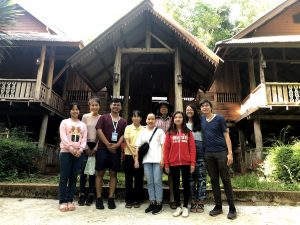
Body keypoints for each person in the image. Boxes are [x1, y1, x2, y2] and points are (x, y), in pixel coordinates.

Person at [199, 99, 237, 220]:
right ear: (201, 109)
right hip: (208, 154)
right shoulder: (201, 120)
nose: (204, 108)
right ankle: (218, 206)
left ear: (211, 107)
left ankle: (232, 208)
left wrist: (230, 153)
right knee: (214, 180)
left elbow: (226, 135)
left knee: (226, 180)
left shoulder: (219, 118)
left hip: (221, 152)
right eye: (202, 106)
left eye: (206, 105)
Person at [95, 98, 127, 209]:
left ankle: (111, 198)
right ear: (110, 106)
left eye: (118, 105)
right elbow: (99, 130)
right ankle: (98, 198)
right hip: (103, 149)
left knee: (113, 174)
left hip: (115, 151)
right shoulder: (103, 118)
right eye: (114, 104)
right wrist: (108, 144)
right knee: (100, 173)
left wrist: (117, 145)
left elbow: (123, 135)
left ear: (121, 107)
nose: (116, 106)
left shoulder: (123, 121)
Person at [164, 111, 196, 218]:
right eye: (176, 117)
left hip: (186, 162)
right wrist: (166, 164)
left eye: (180, 117)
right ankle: (178, 206)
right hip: (173, 163)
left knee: (186, 184)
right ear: (173, 119)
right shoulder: (169, 133)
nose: (178, 119)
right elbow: (166, 149)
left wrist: (192, 163)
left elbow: (192, 148)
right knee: (175, 185)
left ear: (183, 119)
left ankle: (186, 206)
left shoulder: (188, 132)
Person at [58, 102, 87, 212]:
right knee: (64, 177)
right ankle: (62, 201)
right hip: (66, 152)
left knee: (74, 178)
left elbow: (84, 138)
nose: (75, 111)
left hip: (78, 153)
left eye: (77, 109)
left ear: (79, 111)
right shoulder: (64, 122)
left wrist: (80, 150)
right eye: (73, 109)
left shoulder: (82, 125)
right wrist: (71, 148)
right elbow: (63, 136)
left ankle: (70, 200)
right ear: (69, 111)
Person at [135, 113, 165, 215]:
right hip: (146, 160)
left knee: (157, 181)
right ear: (146, 120)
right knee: (149, 182)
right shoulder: (142, 131)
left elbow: (163, 145)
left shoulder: (160, 131)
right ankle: (152, 201)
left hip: (157, 160)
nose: (151, 121)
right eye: (149, 119)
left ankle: (159, 203)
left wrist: (162, 159)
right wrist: (136, 160)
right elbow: (137, 146)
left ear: (155, 120)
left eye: (152, 119)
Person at [78, 97, 101, 206]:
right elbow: (82, 132)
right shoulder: (85, 117)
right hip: (85, 146)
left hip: (96, 146)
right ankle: (81, 193)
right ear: (89, 106)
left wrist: (95, 148)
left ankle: (91, 194)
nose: (94, 107)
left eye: (96, 105)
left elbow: (101, 135)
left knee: (93, 172)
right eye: (92, 105)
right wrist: (86, 147)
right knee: (83, 171)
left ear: (99, 106)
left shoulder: (102, 118)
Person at [185, 104, 207, 213]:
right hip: (187, 153)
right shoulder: (184, 124)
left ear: (194, 111)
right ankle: (193, 201)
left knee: (201, 178)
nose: (189, 111)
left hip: (200, 152)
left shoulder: (201, 122)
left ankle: (201, 201)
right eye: (187, 110)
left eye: (191, 109)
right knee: (190, 179)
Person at [155, 100, 176, 209]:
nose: (163, 109)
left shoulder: (173, 120)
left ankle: (172, 198)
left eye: (165, 107)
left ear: (168, 109)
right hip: (157, 150)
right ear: (159, 109)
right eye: (162, 107)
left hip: (171, 149)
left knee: (171, 174)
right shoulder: (155, 120)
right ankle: (159, 199)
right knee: (157, 175)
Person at [123, 110, 144, 208]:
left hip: (140, 156)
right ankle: (128, 200)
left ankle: (138, 199)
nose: (136, 118)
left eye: (138, 116)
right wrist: (133, 154)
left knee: (139, 178)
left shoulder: (144, 129)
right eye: (134, 116)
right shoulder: (128, 127)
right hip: (128, 155)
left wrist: (137, 156)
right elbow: (127, 141)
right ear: (131, 118)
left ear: (141, 118)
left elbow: (143, 143)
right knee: (128, 179)